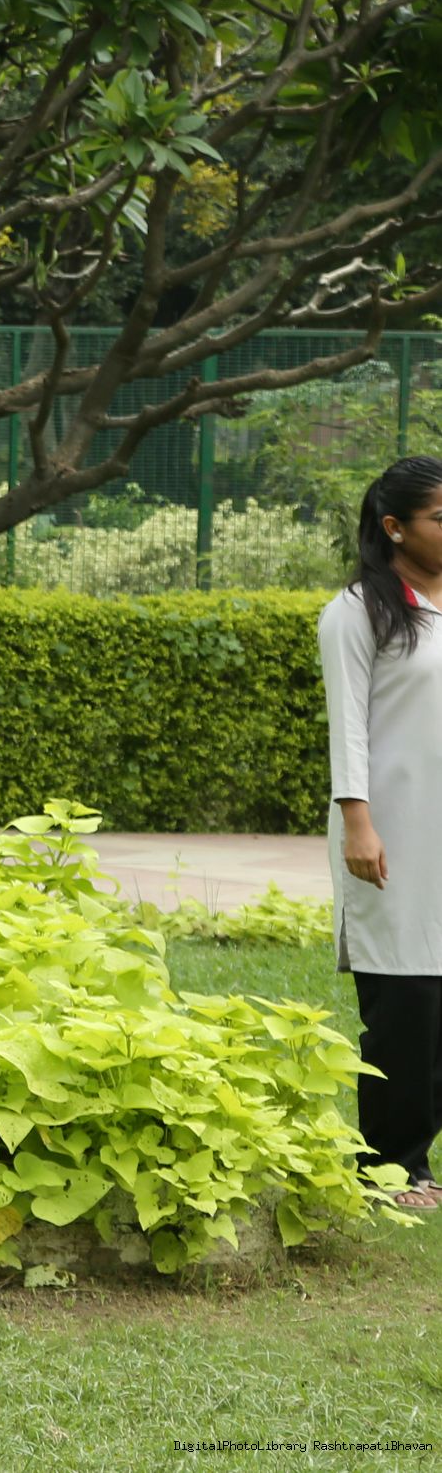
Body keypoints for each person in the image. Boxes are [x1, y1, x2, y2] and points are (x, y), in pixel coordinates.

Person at [318, 456, 442, 1212]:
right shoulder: (357, 611)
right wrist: (356, 822)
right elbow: (349, 728)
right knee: (403, 1002)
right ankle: (392, 1169)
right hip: (391, 834)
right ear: (394, 527)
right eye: (440, 517)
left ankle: (416, 1158)